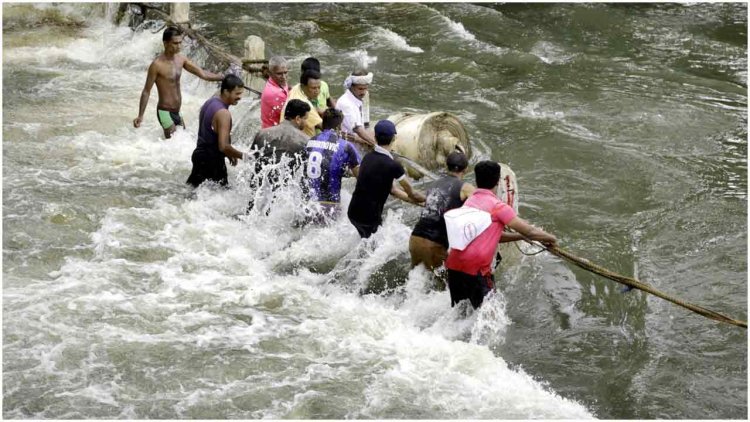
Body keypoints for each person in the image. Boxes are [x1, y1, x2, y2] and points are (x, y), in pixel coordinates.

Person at [444, 160, 558, 309]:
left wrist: (520, 237)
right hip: (476, 269)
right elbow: (529, 231)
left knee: (460, 313)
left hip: (453, 265)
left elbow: (494, 236)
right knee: (490, 314)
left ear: (476, 180)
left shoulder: (469, 201)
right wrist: (551, 238)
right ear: (498, 181)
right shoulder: (499, 207)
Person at [133, 26, 224, 139]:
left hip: (177, 112)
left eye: (180, 42)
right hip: (164, 111)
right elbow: (146, 91)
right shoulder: (156, 65)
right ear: (166, 43)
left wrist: (222, 77)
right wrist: (140, 116)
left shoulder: (181, 60)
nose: (179, 46)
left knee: (182, 141)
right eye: (175, 43)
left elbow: (203, 74)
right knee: (175, 141)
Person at [347, 120, 425, 238]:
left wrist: (420, 203)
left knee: (366, 242)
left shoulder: (367, 157)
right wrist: (430, 200)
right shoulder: (393, 165)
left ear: (375, 137)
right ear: (393, 138)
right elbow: (413, 193)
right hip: (370, 218)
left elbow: (393, 190)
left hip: (353, 212)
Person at [409, 151, 475, 272]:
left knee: (417, 280)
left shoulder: (434, 184)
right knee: (446, 286)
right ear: (465, 169)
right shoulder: (465, 187)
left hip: (415, 238)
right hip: (434, 243)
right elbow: (483, 203)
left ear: (446, 166)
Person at [186, 74, 249, 188]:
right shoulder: (223, 113)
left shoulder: (211, 102)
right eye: (237, 93)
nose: (240, 97)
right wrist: (244, 156)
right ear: (226, 92)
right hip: (212, 162)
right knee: (220, 196)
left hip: (199, 156)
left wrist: (229, 153)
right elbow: (223, 146)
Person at [303, 108, 361, 223]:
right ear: (339, 126)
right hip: (330, 206)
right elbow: (361, 177)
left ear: (323, 122)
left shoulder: (309, 141)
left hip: (307, 204)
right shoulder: (346, 146)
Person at [335, 69, 376, 147]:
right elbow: (357, 129)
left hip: (358, 141)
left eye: (366, 88)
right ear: (352, 87)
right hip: (345, 145)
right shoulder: (345, 103)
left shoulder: (365, 95)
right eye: (360, 89)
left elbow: (366, 123)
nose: (363, 92)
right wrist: (375, 144)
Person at [283, 69, 323, 137]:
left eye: (319, 87)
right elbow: (323, 126)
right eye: (313, 88)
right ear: (303, 86)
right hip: (301, 140)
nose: (317, 91)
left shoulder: (296, 88)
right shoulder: (303, 104)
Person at [260, 56, 290, 128]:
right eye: (279, 74)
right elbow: (291, 116)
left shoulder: (277, 81)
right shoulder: (275, 94)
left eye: (285, 72)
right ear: (270, 73)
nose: (284, 76)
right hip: (273, 133)